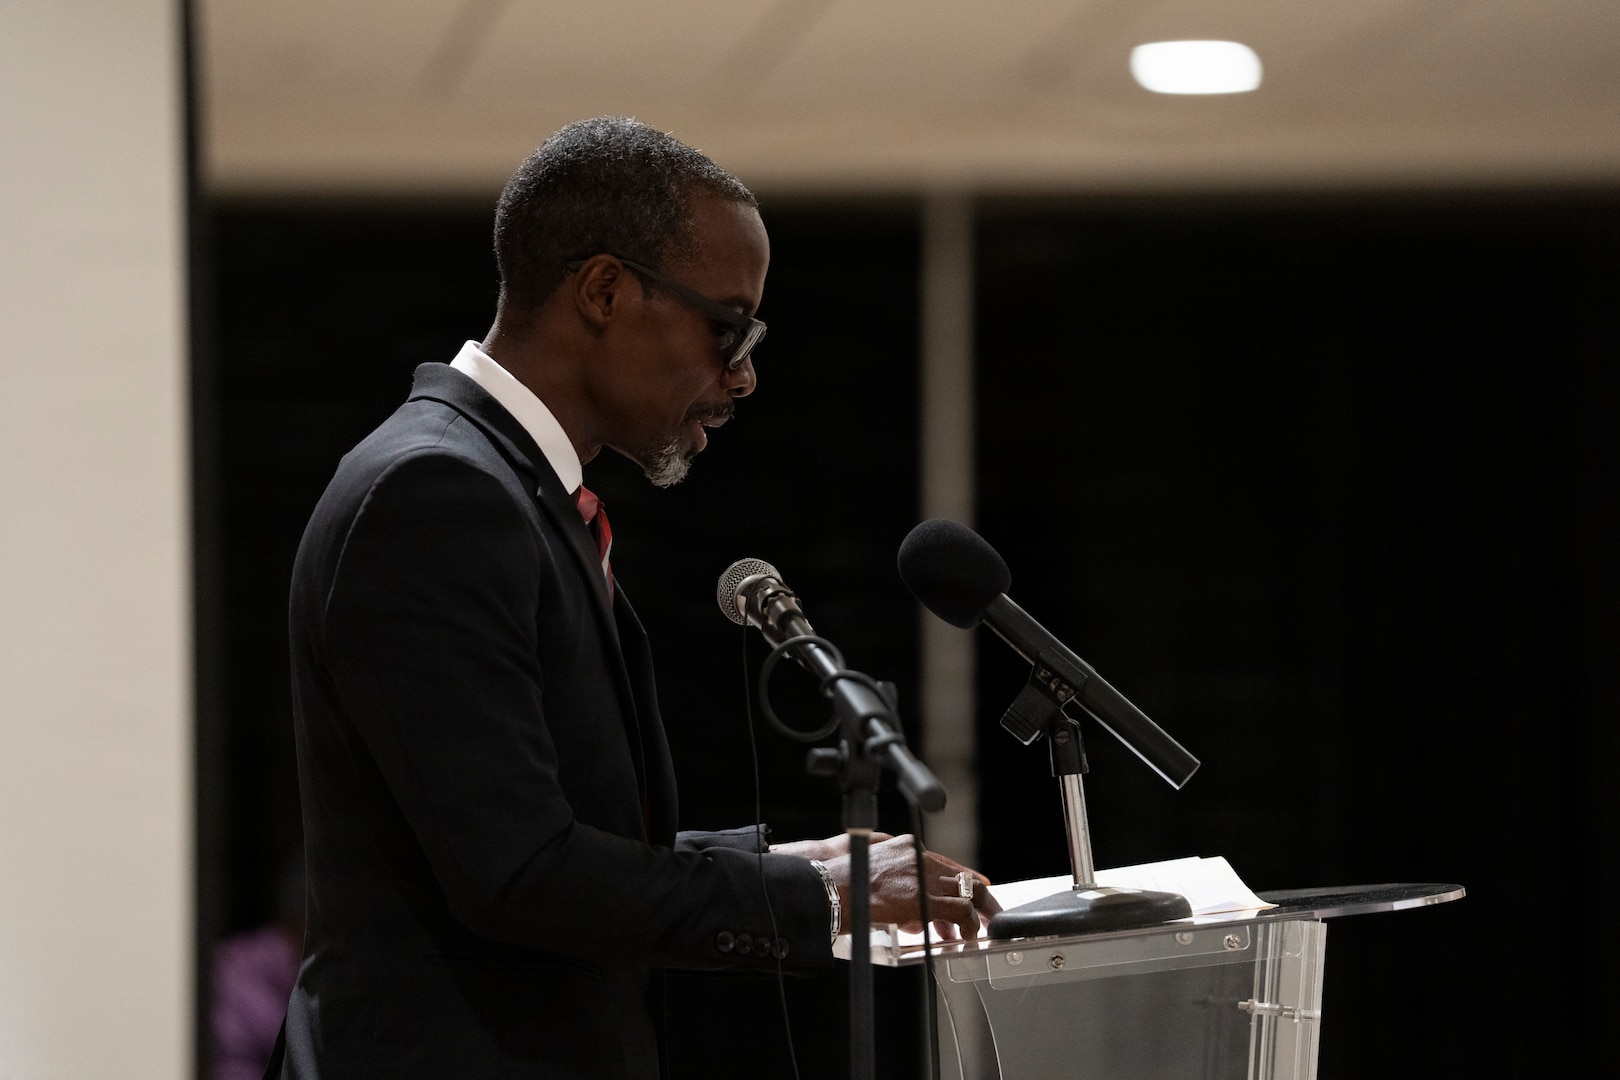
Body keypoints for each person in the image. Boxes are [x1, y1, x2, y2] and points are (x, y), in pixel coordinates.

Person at [270, 116, 998, 1080]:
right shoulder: (436, 495)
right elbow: (520, 874)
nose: (742, 375)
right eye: (727, 326)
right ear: (605, 291)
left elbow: (538, 832)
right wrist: (814, 905)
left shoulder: (502, 488)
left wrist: (803, 866)